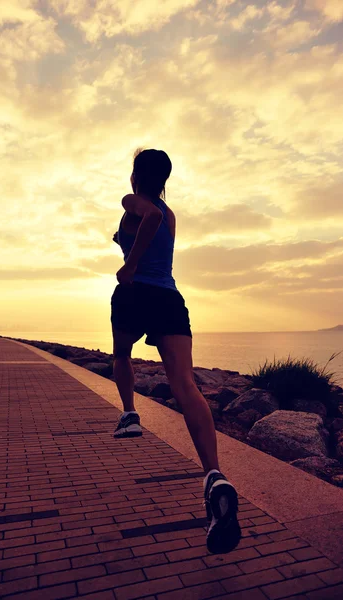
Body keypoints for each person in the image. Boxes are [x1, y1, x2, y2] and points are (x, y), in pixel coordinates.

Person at [110, 148, 241, 554]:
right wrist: (126, 242)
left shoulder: (135, 203)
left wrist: (129, 263)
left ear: (136, 176)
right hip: (169, 297)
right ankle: (214, 476)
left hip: (136, 294)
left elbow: (144, 221)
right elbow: (153, 231)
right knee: (185, 384)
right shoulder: (171, 213)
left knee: (121, 355)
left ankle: (130, 414)